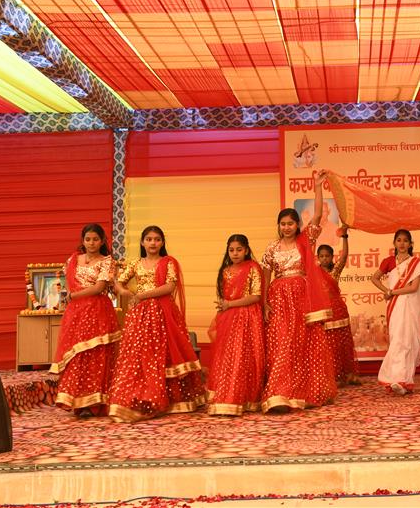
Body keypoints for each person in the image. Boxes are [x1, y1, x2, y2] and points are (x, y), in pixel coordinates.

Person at [109, 226, 205, 422]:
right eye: (149, 239)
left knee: (163, 353)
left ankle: (170, 399)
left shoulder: (168, 263)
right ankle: (142, 397)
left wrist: (142, 295)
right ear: (142, 242)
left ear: (162, 243)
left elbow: (169, 287)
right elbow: (118, 281)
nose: (153, 243)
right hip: (140, 316)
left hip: (163, 314)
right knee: (140, 354)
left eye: (157, 239)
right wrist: (124, 292)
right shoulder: (136, 263)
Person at [261, 170, 337, 412]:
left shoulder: (306, 240)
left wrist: (317, 186)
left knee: (304, 344)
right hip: (279, 300)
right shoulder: (271, 248)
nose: (286, 227)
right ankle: (279, 394)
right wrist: (264, 303)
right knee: (282, 344)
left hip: (302, 299)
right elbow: (265, 278)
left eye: (290, 223)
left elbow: (317, 215)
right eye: (283, 224)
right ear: (278, 225)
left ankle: (307, 392)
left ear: (297, 225)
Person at [50, 224, 120, 416]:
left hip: (98, 312)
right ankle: (77, 401)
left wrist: (74, 296)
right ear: (83, 241)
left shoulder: (107, 261)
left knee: (96, 355)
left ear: (102, 241)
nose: (91, 243)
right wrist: (70, 297)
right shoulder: (73, 260)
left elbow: (99, 288)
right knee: (77, 356)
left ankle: (93, 403)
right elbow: (67, 284)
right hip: (76, 313)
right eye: (88, 239)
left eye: (95, 239)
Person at [370, 229, 420, 395]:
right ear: (394, 243)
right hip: (395, 306)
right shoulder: (388, 261)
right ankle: (396, 379)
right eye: (399, 240)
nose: (402, 243)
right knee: (398, 340)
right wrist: (386, 291)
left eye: (405, 240)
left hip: (410, 304)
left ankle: (405, 380)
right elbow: (374, 278)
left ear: (410, 244)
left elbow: (414, 288)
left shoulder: (416, 263)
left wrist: (391, 292)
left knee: (409, 340)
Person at [206, 234, 265, 415]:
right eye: (231, 250)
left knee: (244, 356)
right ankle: (226, 395)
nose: (235, 253)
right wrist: (225, 306)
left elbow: (256, 296)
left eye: (239, 249)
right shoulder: (225, 270)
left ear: (246, 250)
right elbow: (225, 296)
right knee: (228, 356)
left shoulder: (253, 267)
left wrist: (230, 304)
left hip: (248, 317)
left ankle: (243, 398)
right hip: (229, 317)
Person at [317, 226, 360, 386]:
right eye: (321, 256)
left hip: (338, 310)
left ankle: (345, 374)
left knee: (342, 343)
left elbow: (344, 256)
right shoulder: (313, 273)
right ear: (318, 257)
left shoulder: (335, 270)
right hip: (323, 312)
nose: (324, 259)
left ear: (331, 257)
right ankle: (331, 375)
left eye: (327, 256)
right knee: (328, 345)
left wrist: (345, 237)